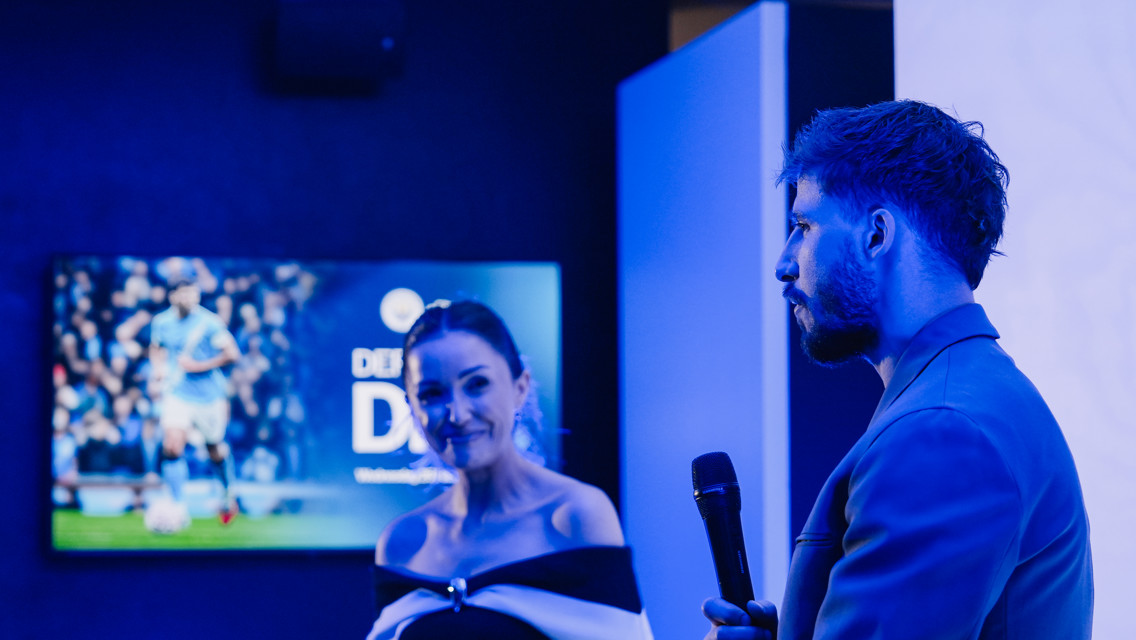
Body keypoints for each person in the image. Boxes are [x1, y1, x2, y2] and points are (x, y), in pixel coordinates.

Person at [703, 100, 1093, 639]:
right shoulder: (966, 399)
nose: (784, 262)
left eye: (804, 225)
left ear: (876, 235)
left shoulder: (943, 430)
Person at [367, 301, 653, 640]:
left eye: (476, 384)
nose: (456, 414)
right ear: (411, 406)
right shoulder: (404, 542)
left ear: (520, 387)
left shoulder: (576, 516)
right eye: (432, 393)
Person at [149, 276, 242, 525]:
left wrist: (200, 366)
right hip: (178, 393)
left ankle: (227, 494)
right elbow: (156, 347)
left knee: (214, 449)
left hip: (209, 397)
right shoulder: (162, 322)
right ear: (173, 297)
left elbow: (233, 354)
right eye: (185, 294)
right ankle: (177, 506)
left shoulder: (208, 323)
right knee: (172, 445)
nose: (191, 299)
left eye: (194, 293)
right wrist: (158, 370)